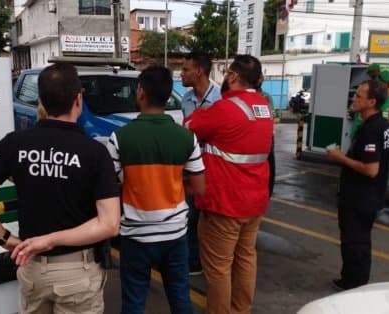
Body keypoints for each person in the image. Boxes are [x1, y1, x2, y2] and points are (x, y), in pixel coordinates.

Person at [0, 63, 121, 314]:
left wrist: (8, 241)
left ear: (41, 100)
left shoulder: (14, 143)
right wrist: (49, 241)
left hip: (31, 267)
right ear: (78, 99)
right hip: (76, 272)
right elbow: (110, 224)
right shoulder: (94, 152)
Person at [107, 65, 206, 314]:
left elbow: (111, 185)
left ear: (140, 92)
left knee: (134, 303)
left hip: (136, 237)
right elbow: (199, 187)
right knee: (181, 300)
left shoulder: (119, 138)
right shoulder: (186, 137)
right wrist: (171, 180)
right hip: (175, 235)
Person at [186, 55, 273, 314]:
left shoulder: (224, 108)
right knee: (246, 258)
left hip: (225, 202)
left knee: (219, 267)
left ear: (233, 76)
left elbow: (188, 127)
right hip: (254, 201)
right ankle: (240, 310)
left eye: (228, 73)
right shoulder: (264, 107)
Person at [327, 80, 389, 291]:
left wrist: (340, 158)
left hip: (361, 198)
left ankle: (354, 286)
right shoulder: (380, 124)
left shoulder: (373, 129)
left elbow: (371, 169)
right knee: (357, 241)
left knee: (356, 243)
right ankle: (350, 278)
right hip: (367, 196)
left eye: (359, 96)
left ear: (372, 101)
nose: (354, 99)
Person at [180, 51, 221, 275]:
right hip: (189, 166)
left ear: (200, 71)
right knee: (190, 216)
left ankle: (213, 263)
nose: (181, 74)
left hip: (213, 168)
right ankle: (194, 262)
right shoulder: (186, 99)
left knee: (211, 221)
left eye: (186, 69)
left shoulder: (220, 98)